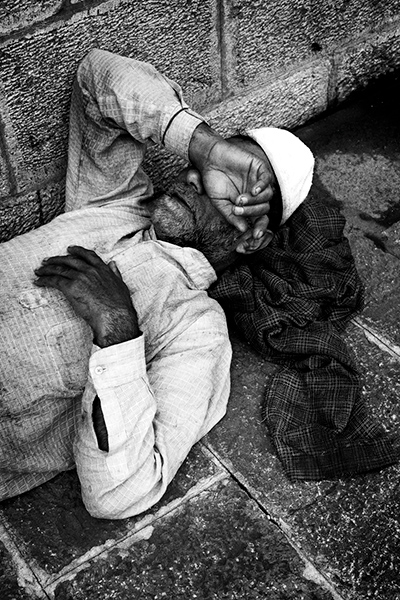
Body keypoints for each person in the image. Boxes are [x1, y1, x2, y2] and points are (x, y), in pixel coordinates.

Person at [0, 49, 314, 519]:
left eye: (236, 185)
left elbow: (120, 492)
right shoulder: (114, 201)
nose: (195, 179)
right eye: (214, 167)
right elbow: (96, 77)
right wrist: (204, 144)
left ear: (252, 239)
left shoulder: (196, 331)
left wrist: (118, 331)